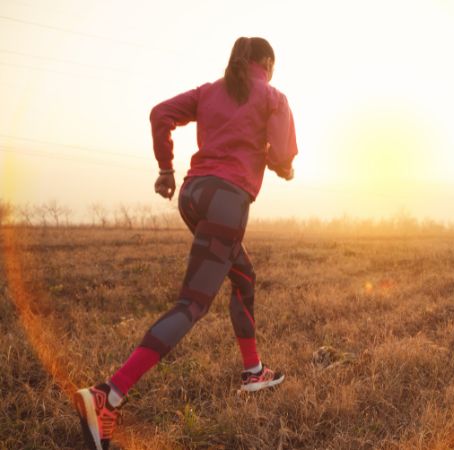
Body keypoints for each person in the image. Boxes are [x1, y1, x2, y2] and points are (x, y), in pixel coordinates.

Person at [73, 36, 297, 450]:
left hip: (194, 195)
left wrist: (165, 168)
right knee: (192, 304)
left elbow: (160, 114)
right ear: (266, 62)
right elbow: (283, 155)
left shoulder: (209, 91)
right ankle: (108, 394)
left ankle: (254, 373)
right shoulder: (273, 97)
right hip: (227, 201)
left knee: (243, 276)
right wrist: (282, 166)